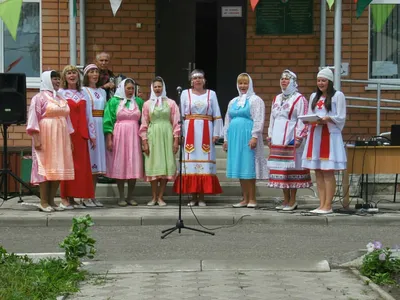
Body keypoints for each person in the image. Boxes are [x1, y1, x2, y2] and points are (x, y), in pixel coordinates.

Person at [173, 69, 223, 206]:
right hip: (190, 130)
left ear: (204, 80)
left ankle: (201, 197)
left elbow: (217, 113)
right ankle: (193, 196)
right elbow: (181, 115)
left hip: (206, 130)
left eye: (200, 77)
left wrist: (216, 133)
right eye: (195, 78)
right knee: (191, 164)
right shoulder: (185, 94)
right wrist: (180, 133)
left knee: (205, 164)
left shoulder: (211, 94)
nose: (198, 80)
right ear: (191, 81)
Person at [26, 70, 74, 212]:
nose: (57, 81)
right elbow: (33, 118)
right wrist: (36, 138)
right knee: (45, 167)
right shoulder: (39, 98)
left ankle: (52, 201)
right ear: (47, 79)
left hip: (61, 136)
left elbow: (67, 120)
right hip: (46, 135)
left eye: (59, 79)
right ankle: (44, 201)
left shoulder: (60, 98)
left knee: (58, 167)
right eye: (54, 79)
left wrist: (70, 139)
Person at [302, 68, 347, 214]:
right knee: (318, 171)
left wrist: (328, 118)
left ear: (330, 81)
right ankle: (321, 204)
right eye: (319, 80)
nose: (321, 83)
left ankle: (328, 205)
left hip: (329, 136)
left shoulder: (338, 95)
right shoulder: (314, 96)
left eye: (324, 80)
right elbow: (310, 114)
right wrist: (309, 120)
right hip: (315, 134)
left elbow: (341, 116)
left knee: (328, 171)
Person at [266, 70, 312, 211]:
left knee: (292, 170)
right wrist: (270, 136)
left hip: (291, 137)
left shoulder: (299, 99)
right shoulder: (277, 98)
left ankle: (293, 200)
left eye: (287, 79)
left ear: (293, 81)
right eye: (282, 79)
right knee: (282, 171)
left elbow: (303, 119)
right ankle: (285, 200)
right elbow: (272, 119)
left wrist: (299, 137)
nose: (283, 81)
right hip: (278, 138)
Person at [223, 73, 268, 208]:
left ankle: (252, 198)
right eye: (240, 83)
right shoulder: (233, 101)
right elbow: (227, 119)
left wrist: (254, 136)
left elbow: (258, 118)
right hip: (234, 136)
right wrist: (226, 138)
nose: (243, 86)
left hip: (247, 135)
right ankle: (244, 198)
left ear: (250, 84)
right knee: (240, 166)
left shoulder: (255, 100)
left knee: (248, 166)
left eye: (245, 83)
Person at [59, 65, 96, 209]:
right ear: (65, 76)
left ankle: (74, 197)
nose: (72, 75)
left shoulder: (83, 94)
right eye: (68, 73)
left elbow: (89, 115)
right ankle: (64, 197)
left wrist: (92, 135)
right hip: (68, 133)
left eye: (74, 72)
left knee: (80, 168)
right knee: (67, 166)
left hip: (81, 135)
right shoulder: (61, 93)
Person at [139, 77, 180, 206]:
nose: (157, 89)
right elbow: (144, 123)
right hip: (153, 135)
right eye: (155, 86)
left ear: (163, 88)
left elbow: (176, 122)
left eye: (159, 86)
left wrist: (175, 140)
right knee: (153, 165)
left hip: (167, 135)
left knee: (165, 166)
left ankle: (161, 197)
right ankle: (153, 197)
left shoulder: (171, 103)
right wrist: (144, 141)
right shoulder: (147, 104)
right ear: (152, 88)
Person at [103, 78, 143, 206]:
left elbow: (144, 120)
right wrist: (109, 139)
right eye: (128, 88)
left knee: (133, 165)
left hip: (134, 136)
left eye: (132, 88)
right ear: (122, 89)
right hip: (119, 135)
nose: (131, 91)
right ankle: (121, 196)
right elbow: (108, 120)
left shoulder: (139, 102)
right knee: (120, 164)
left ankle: (130, 196)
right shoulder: (113, 102)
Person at [81, 64, 106, 207]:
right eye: (91, 72)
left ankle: (93, 195)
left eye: (96, 72)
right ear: (86, 75)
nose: (95, 74)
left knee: (96, 168)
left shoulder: (102, 92)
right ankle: (85, 196)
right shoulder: (83, 90)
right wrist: (89, 132)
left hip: (101, 124)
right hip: (91, 126)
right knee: (89, 165)